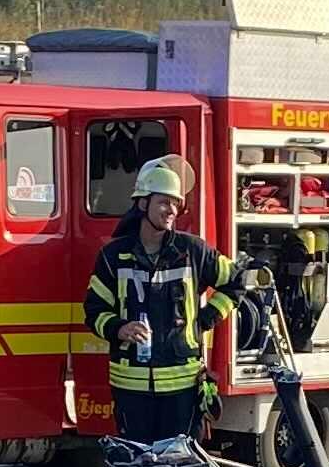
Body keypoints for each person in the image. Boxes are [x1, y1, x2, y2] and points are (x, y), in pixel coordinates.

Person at [82, 153, 227, 442]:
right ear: (142, 203)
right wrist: (118, 328)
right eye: (164, 201)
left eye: (176, 203)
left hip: (183, 389)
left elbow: (236, 282)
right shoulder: (114, 256)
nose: (171, 209)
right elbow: (94, 310)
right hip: (131, 388)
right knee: (138, 465)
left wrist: (206, 319)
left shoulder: (193, 251)